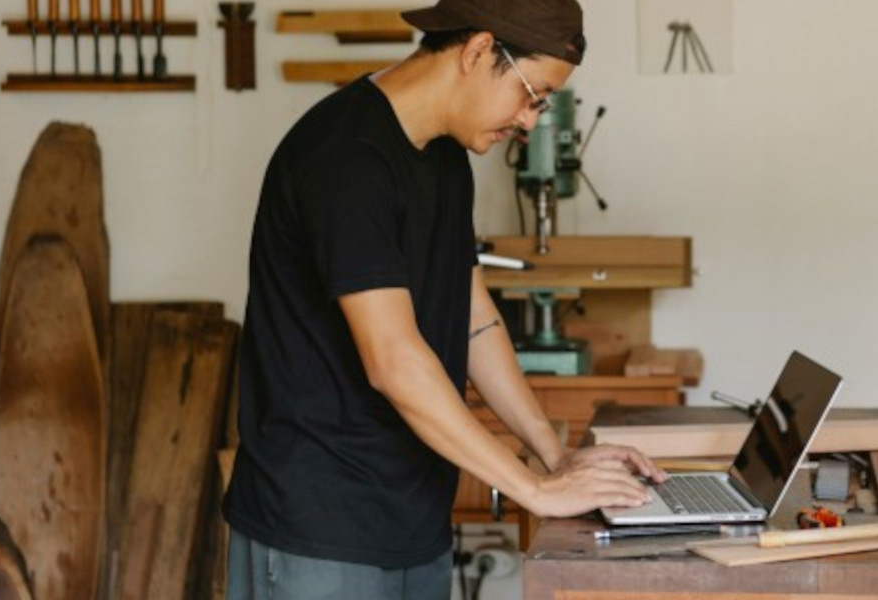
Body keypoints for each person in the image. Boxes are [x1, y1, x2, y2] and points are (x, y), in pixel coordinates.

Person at [222, 0, 667, 597]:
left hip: (412, 519)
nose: (530, 121)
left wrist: (551, 452)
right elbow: (394, 361)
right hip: (320, 532)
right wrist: (532, 489)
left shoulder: (446, 155)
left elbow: (474, 319)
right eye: (530, 94)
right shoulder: (347, 157)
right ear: (480, 50)